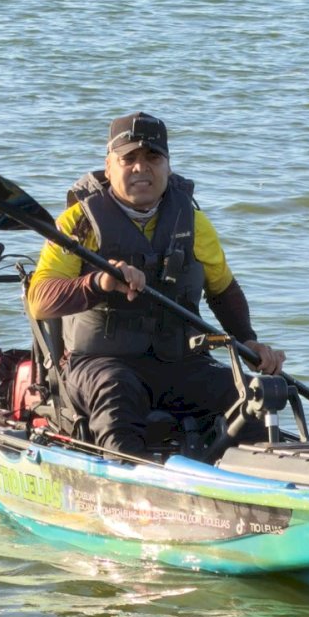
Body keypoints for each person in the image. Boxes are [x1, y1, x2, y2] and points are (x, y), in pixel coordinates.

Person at [27, 112, 285, 458]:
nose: (140, 168)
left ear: (167, 165)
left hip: (180, 363)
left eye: (152, 157)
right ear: (109, 165)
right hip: (99, 363)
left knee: (247, 395)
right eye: (128, 158)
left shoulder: (193, 223)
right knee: (116, 392)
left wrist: (248, 340)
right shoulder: (78, 223)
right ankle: (128, 479)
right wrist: (100, 281)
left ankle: (278, 476)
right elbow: (40, 301)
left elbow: (223, 291)